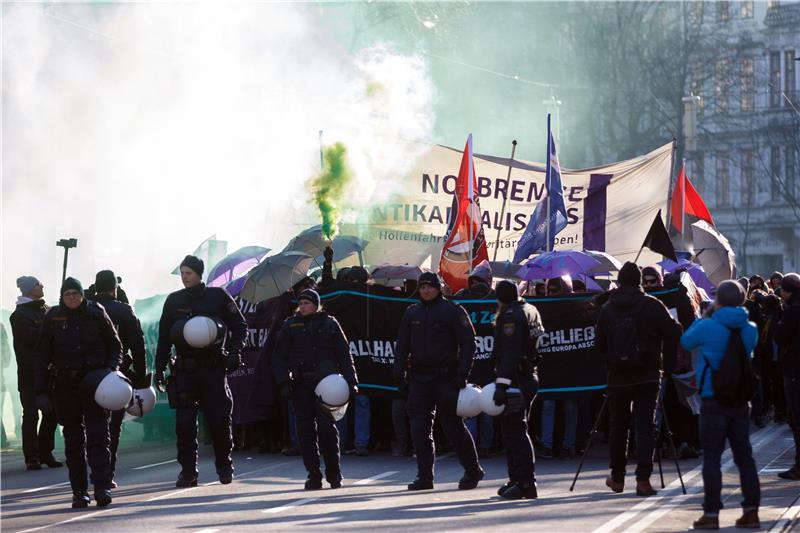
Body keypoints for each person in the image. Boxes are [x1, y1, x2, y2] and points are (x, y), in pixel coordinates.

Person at [154, 255, 247, 488]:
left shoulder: (217, 296)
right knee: (184, 425)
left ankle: (225, 466)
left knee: (219, 421)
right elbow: (164, 338)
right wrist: (159, 369)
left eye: (188, 273)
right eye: (182, 273)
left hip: (213, 369)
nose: (184, 277)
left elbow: (240, 326)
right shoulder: (174, 301)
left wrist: (234, 352)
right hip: (185, 371)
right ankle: (188, 472)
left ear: (199, 274)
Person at [33, 277, 122, 508]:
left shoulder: (96, 312)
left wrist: (111, 370)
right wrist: (40, 390)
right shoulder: (52, 317)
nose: (72, 297)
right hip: (65, 386)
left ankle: (102, 487)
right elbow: (41, 356)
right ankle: (79, 492)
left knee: (99, 438)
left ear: (83, 294)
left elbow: (115, 345)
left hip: (95, 383)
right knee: (73, 442)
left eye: (76, 293)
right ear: (62, 296)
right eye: (67, 293)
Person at [595, 262, 681, 497]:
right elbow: (674, 332)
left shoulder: (608, 308)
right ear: (641, 281)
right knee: (645, 428)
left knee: (618, 427)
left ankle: (617, 477)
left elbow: (599, 344)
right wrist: (668, 363)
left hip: (618, 376)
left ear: (620, 282)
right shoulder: (652, 305)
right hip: (648, 375)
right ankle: (643, 481)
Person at [681, 280, 761, 529]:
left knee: (712, 458)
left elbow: (686, 341)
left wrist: (705, 315)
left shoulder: (707, 326)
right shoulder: (750, 329)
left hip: (712, 397)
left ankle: (712, 514)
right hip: (739, 400)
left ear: (718, 301)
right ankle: (751, 511)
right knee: (745, 458)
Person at [394, 272, 483, 491]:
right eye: (423, 287)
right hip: (419, 379)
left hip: (446, 379)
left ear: (438, 288)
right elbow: (402, 345)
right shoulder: (411, 312)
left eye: (430, 287)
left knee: (453, 426)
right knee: (419, 428)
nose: (426, 291)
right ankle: (424, 476)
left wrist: (462, 374)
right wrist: (398, 373)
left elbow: (469, 344)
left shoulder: (453, 310)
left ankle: (473, 470)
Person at [272, 289, 358, 489]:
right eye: (301, 303)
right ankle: (313, 474)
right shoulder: (290, 325)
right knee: (305, 430)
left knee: (327, 429)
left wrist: (352, 380)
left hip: (327, 386)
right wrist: (283, 382)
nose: (303, 307)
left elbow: (345, 354)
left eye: (307, 303)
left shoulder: (330, 324)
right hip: (301, 385)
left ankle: (334, 473)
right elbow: (278, 357)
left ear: (316, 305)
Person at [87, 270, 146, 487]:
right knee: (112, 427)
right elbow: (138, 346)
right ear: (115, 288)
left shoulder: (86, 309)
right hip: (116, 374)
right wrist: (140, 375)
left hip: (88, 375)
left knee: (91, 425)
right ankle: (106, 473)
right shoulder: (123, 310)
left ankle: (95, 469)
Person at [491, 280, 544, 499]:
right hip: (528, 374)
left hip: (517, 379)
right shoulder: (530, 309)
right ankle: (516, 478)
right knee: (513, 430)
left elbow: (511, 352)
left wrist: (502, 385)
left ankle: (526, 483)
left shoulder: (511, 316)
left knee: (515, 431)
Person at [9, 276, 61, 470]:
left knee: (52, 414)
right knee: (31, 415)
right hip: (29, 373)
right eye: (38, 284)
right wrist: (49, 324)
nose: (42, 286)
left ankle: (45, 451)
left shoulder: (45, 310)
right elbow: (33, 338)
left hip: (48, 372)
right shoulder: (19, 315)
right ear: (30, 289)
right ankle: (32, 456)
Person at [453, 261, 496, 457]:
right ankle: (484, 446)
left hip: (470, 364)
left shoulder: (462, 299)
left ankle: (472, 447)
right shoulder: (494, 300)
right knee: (484, 407)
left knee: (470, 407)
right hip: (485, 364)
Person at [540, 276, 578, 458]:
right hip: (549, 365)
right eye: (549, 291)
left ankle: (568, 444)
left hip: (569, 364)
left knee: (570, 405)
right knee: (549, 404)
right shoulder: (542, 310)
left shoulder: (573, 308)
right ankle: (547, 445)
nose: (550, 295)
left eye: (555, 291)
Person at [774, 273, 800, 481]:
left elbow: (780, 337)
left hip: (795, 371)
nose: (780, 293)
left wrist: (779, 317)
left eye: (782, 289)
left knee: (797, 419)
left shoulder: (792, 311)